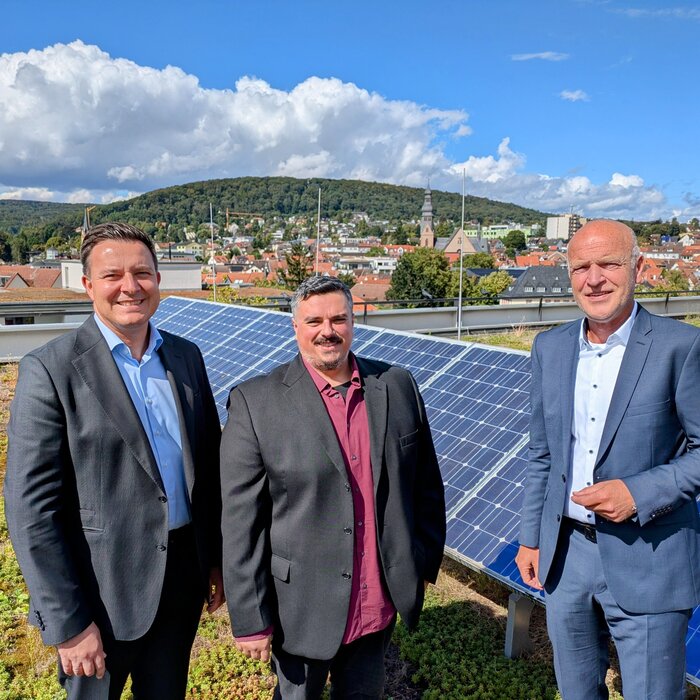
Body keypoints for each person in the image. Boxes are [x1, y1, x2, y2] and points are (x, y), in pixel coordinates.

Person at [4, 222, 224, 699]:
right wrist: (67, 623)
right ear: (86, 285)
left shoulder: (186, 357)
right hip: (98, 597)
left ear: (159, 280)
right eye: (113, 275)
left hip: (180, 580)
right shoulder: (51, 369)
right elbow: (30, 511)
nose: (130, 286)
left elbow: (208, 466)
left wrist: (217, 561)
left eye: (142, 272)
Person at [220, 276, 445, 699]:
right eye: (315, 320)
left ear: (353, 321)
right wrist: (251, 617)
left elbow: (426, 484)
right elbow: (240, 522)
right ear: (295, 327)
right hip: (300, 608)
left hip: (376, 601)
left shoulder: (397, 385)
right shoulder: (255, 403)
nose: (328, 330)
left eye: (339, 318)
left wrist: (420, 564)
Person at [515, 219, 700, 699]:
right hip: (566, 557)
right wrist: (531, 538)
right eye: (581, 267)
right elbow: (542, 453)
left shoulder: (681, 347)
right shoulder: (549, 348)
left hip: (650, 556)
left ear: (638, 267)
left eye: (608, 264)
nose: (594, 278)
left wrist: (637, 493)